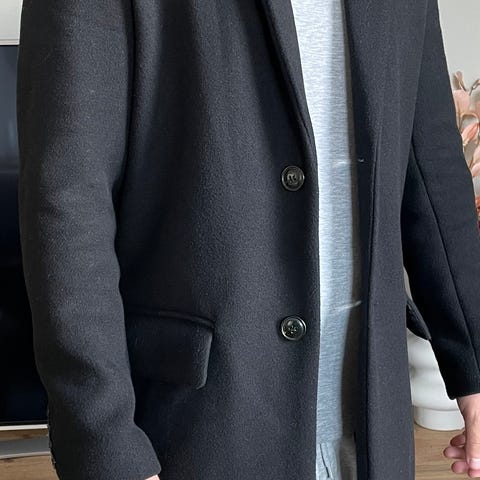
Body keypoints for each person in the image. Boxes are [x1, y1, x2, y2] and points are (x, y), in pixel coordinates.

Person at [15, 0, 480, 479]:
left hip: (374, 432)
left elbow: (432, 160)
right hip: (193, 433)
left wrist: (474, 362)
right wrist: (105, 445)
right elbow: (69, 201)